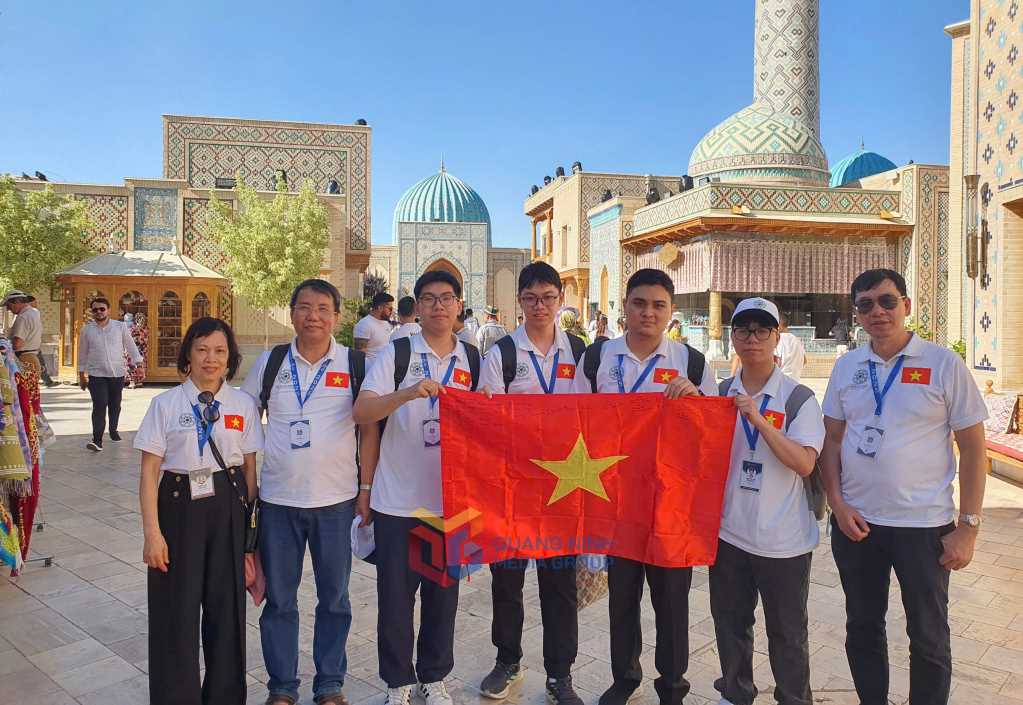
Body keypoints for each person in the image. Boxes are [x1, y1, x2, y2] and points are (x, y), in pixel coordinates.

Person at [821, 268, 988, 705]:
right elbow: (832, 441)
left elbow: (973, 449)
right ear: (856, 314)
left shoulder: (943, 364)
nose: (877, 312)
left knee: (928, 635)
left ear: (906, 305)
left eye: (887, 301)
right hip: (858, 525)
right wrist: (837, 503)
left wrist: (968, 527)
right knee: (862, 626)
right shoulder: (848, 367)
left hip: (924, 526)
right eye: (865, 305)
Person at [571, 268, 717, 705]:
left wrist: (696, 402)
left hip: (671, 504)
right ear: (625, 307)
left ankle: (672, 685)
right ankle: (625, 677)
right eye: (639, 303)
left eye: (658, 305)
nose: (647, 313)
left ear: (671, 311)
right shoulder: (598, 359)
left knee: (671, 600)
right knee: (623, 598)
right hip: (616, 500)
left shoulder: (691, 364)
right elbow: (574, 421)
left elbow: (712, 435)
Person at [241, 279, 380, 705]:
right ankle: (282, 688)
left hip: (336, 503)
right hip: (278, 504)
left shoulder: (355, 365)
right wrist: (248, 492)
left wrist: (365, 489)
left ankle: (329, 685)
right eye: (304, 307)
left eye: (322, 308)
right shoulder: (270, 363)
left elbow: (369, 431)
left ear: (337, 316)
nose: (313, 316)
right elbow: (244, 424)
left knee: (334, 600)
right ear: (292, 314)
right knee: (279, 600)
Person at [353, 269, 481, 705]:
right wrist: (406, 394)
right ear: (417, 306)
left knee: (443, 598)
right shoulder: (397, 352)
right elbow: (363, 413)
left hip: (450, 502)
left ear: (459, 304)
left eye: (446, 298)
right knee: (395, 600)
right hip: (397, 500)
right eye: (429, 298)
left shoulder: (473, 358)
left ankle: (434, 676)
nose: (438, 306)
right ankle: (397, 682)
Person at [135, 317, 263, 705]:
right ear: (188, 354)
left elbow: (250, 471)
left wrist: (247, 539)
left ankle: (225, 696)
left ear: (230, 357)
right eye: (202, 349)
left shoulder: (242, 404)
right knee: (176, 610)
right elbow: (149, 472)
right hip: (178, 508)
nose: (211, 359)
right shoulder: (165, 404)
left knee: (227, 611)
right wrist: (152, 533)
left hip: (228, 508)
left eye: (220, 351)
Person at [477, 262, 585, 705]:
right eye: (531, 298)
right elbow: (487, 424)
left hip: (564, 488)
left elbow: (598, 415)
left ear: (561, 300)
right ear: (519, 301)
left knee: (559, 586)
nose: (540, 306)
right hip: (513, 490)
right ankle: (507, 661)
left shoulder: (580, 352)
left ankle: (560, 675)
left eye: (548, 298)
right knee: (507, 582)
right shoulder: (501, 355)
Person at [711, 298, 824, 705]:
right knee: (730, 624)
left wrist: (759, 421)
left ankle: (793, 698)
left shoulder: (798, 398)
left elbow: (805, 463)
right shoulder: (719, 394)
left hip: (783, 541)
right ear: (733, 337)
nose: (752, 338)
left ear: (778, 337)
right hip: (730, 534)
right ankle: (735, 693)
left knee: (787, 632)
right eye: (744, 329)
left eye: (762, 330)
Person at [78, 296, 144, 452]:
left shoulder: (119, 327)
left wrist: (139, 364)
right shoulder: (87, 330)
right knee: (99, 405)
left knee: (115, 405)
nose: (99, 312)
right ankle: (97, 440)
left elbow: (131, 346)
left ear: (108, 310)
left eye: (102, 309)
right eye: (95, 309)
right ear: (92, 312)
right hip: (96, 374)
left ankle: (113, 430)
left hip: (117, 373)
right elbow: (82, 353)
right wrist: (81, 374)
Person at [2, 290, 43, 380]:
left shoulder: (23, 317)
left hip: (24, 360)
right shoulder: (34, 312)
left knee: (23, 388)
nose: (8, 309)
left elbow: (17, 344)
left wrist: (4, 344)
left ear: (17, 301)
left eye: (9, 305)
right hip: (32, 359)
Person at [354, 292, 395, 360]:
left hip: (385, 365)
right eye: (390, 308)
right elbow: (359, 356)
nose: (391, 311)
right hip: (370, 366)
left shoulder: (386, 323)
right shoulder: (364, 325)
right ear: (380, 308)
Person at [774, 312, 806, 382]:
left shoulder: (779, 339)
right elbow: (804, 361)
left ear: (778, 325)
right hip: (795, 381)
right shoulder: (797, 340)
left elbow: (776, 361)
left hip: (781, 381)